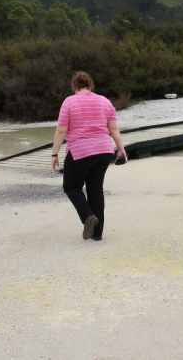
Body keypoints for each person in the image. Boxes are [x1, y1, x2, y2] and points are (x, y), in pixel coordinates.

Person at [51, 71, 126, 241]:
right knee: (95, 189)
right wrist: (121, 149)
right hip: (104, 150)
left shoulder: (69, 102)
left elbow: (62, 130)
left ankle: (87, 217)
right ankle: (97, 234)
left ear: (74, 86)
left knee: (71, 187)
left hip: (80, 151)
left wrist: (54, 153)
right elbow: (113, 129)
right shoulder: (104, 101)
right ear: (90, 85)